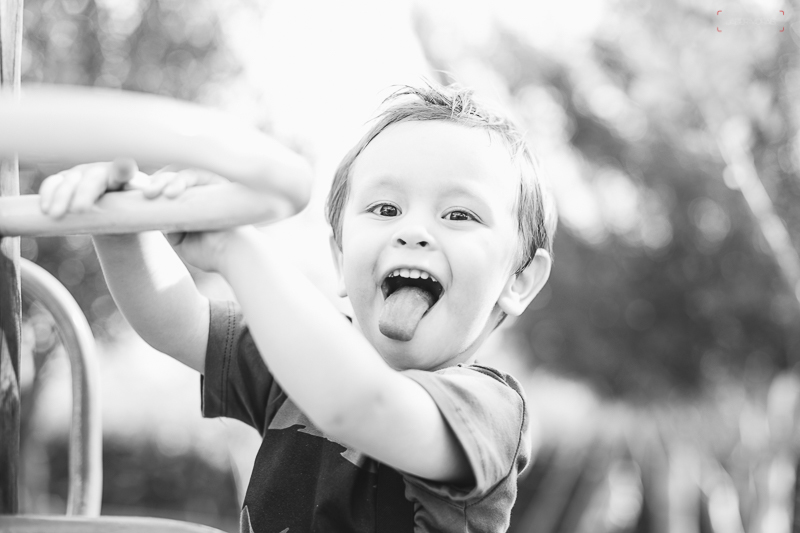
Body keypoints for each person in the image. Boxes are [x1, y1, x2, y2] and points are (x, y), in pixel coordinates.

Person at [39, 82, 557, 533]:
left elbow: (362, 406)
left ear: (520, 280)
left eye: (460, 214)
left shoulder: (488, 411)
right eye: (385, 208)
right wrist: (122, 225)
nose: (413, 231)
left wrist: (235, 248)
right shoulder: (301, 355)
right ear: (340, 256)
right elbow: (179, 322)